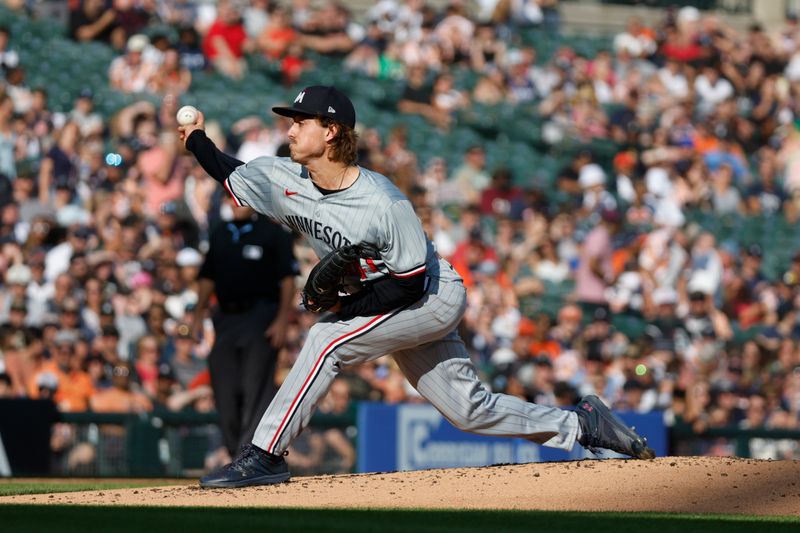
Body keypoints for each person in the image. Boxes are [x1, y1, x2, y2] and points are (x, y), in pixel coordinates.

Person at [177, 85, 654, 489]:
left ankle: (266, 455)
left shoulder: (383, 202)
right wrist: (196, 137)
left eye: (300, 121)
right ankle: (583, 424)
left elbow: (405, 286)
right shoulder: (284, 177)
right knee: (468, 410)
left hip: (430, 294)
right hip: (394, 301)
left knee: (325, 342)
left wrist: (345, 306)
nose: (290, 128)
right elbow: (228, 169)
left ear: (330, 131)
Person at [192, 197, 298, 457]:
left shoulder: (273, 233)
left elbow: (288, 279)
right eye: (230, 196)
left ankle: (250, 454)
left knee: (256, 388)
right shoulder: (220, 233)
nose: (234, 202)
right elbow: (207, 276)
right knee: (225, 390)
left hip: (261, 317)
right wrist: (197, 313)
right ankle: (234, 453)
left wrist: (283, 319)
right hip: (226, 318)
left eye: (240, 197)